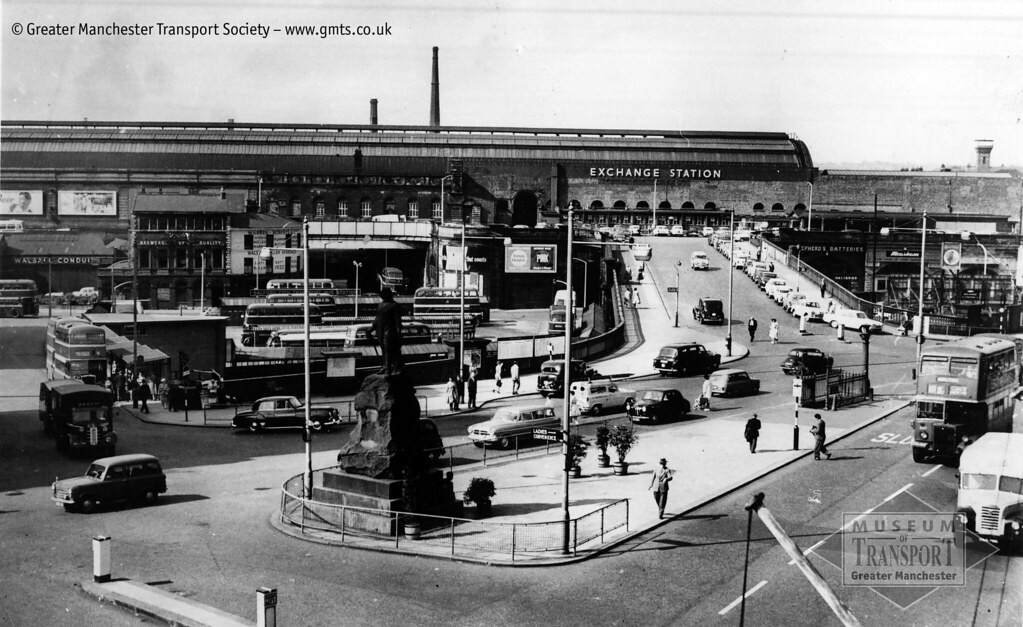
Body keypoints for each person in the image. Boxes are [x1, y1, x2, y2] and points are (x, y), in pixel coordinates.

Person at [368, 287, 403, 375]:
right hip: (381, 332)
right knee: (384, 350)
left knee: (388, 350)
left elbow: (397, 321)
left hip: (389, 332)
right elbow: (377, 320)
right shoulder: (380, 305)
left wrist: (399, 333)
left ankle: (388, 368)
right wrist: (370, 329)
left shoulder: (394, 306)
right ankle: (385, 367)